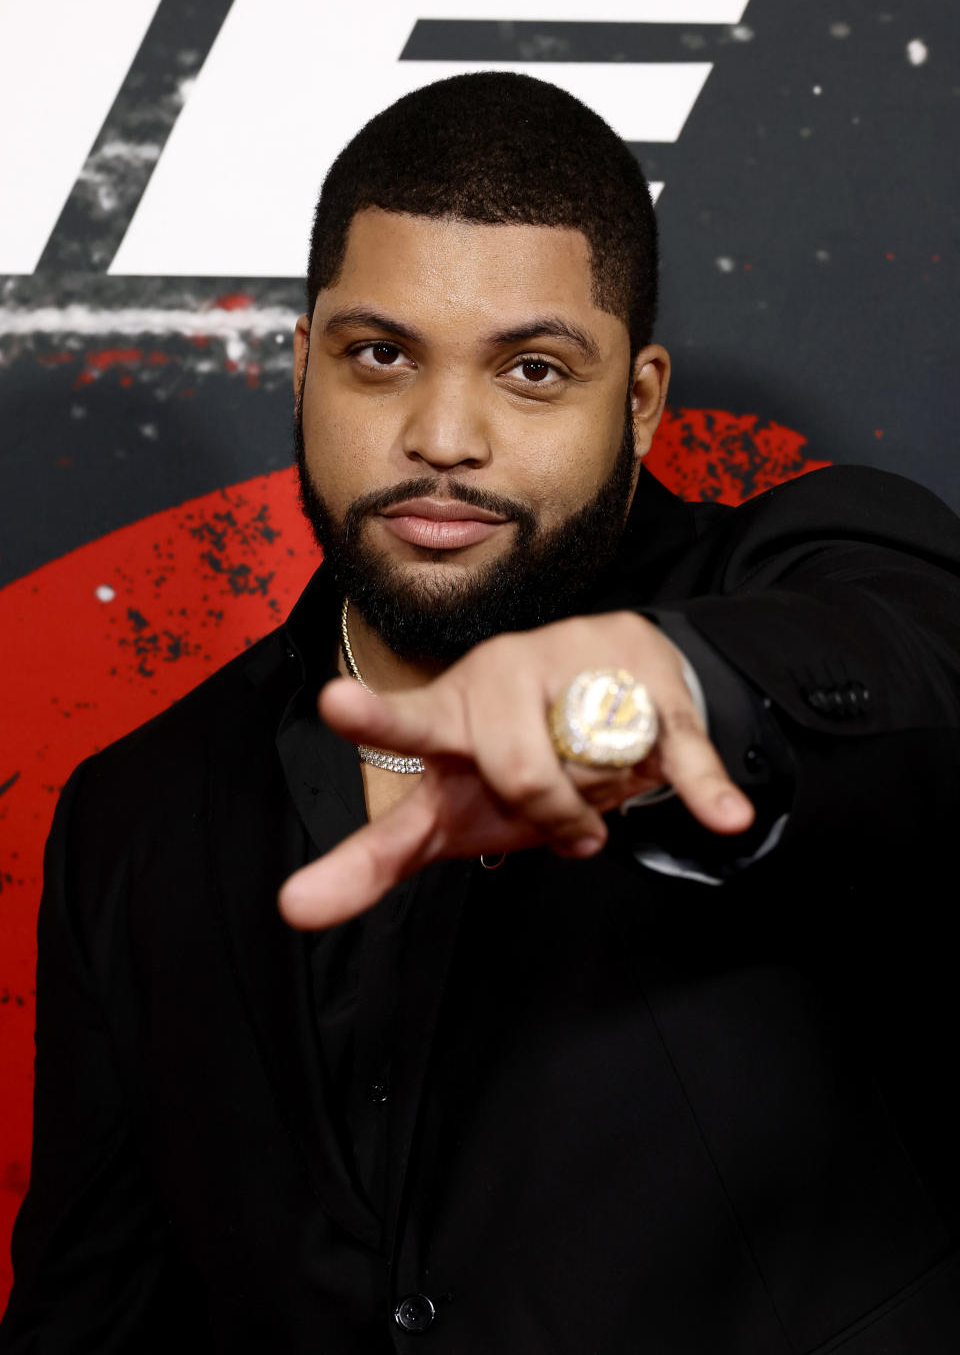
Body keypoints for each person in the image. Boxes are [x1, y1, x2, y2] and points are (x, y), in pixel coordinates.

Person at [3, 72, 960, 1354]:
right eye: (381, 354)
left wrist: (647, 696)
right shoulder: (140, 810)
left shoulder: (792, 578)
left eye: (531, 369)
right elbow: (92, 1314)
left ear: (640, 400)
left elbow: (911, 646)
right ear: (302, 368)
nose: (442, 434)